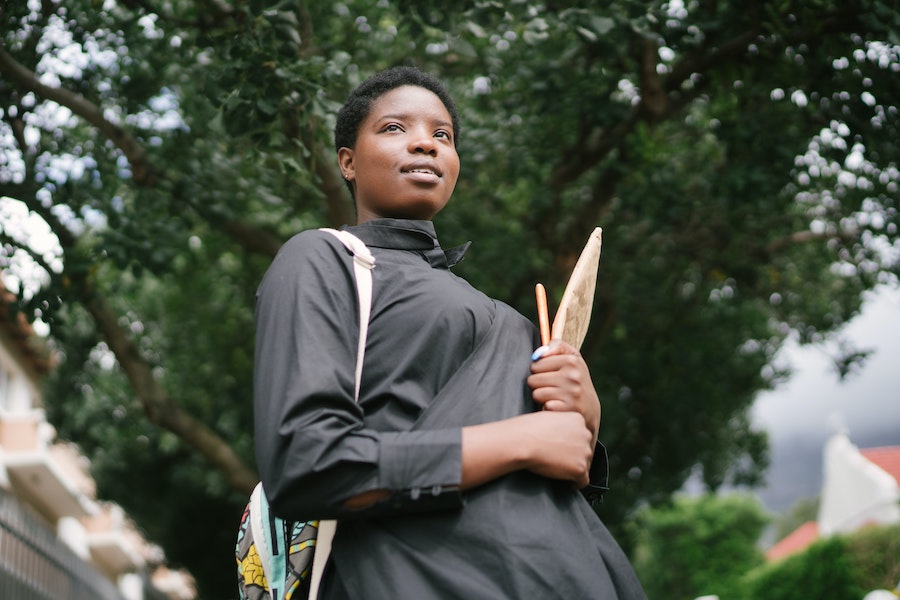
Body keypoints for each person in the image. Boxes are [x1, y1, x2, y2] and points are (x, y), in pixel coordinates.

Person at [253, 65, 646, 599]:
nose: (425, 144)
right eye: (395, 128)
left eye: (443, 135)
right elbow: (308, 463)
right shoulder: (325, 257)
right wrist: (521, 439)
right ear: (348, 161)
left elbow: (542, 487)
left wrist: (585, 418)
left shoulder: (505, 315)